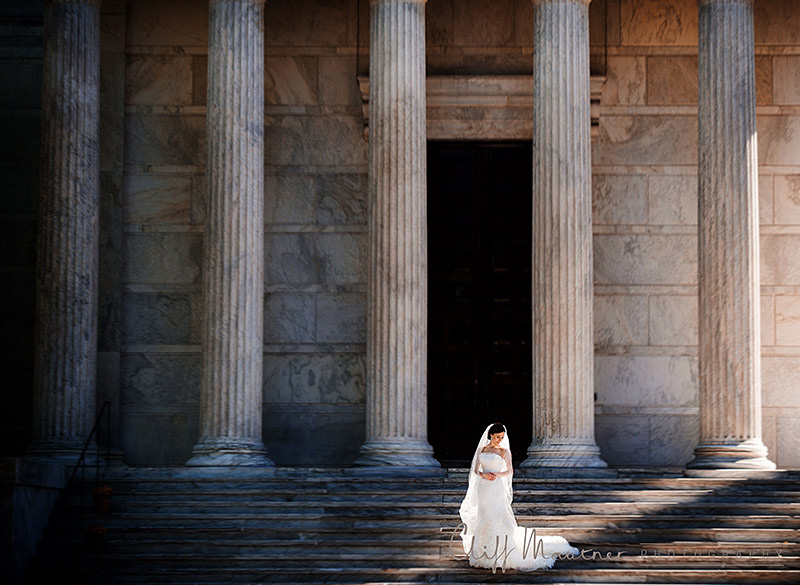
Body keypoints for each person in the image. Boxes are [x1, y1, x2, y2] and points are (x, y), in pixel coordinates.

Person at [458, 422, 579, 572]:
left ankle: (500, 552)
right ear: (490, 435)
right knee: (483, 516)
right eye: (496, 437)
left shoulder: (504, 451)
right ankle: (482, 553)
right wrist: (484, 475)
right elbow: (475, 470)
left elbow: (510, 471)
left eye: (501, 437)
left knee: (496, 517)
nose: (499, 440)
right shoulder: (482, 449)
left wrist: (497, 475)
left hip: (496, 487)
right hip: (483, 488)